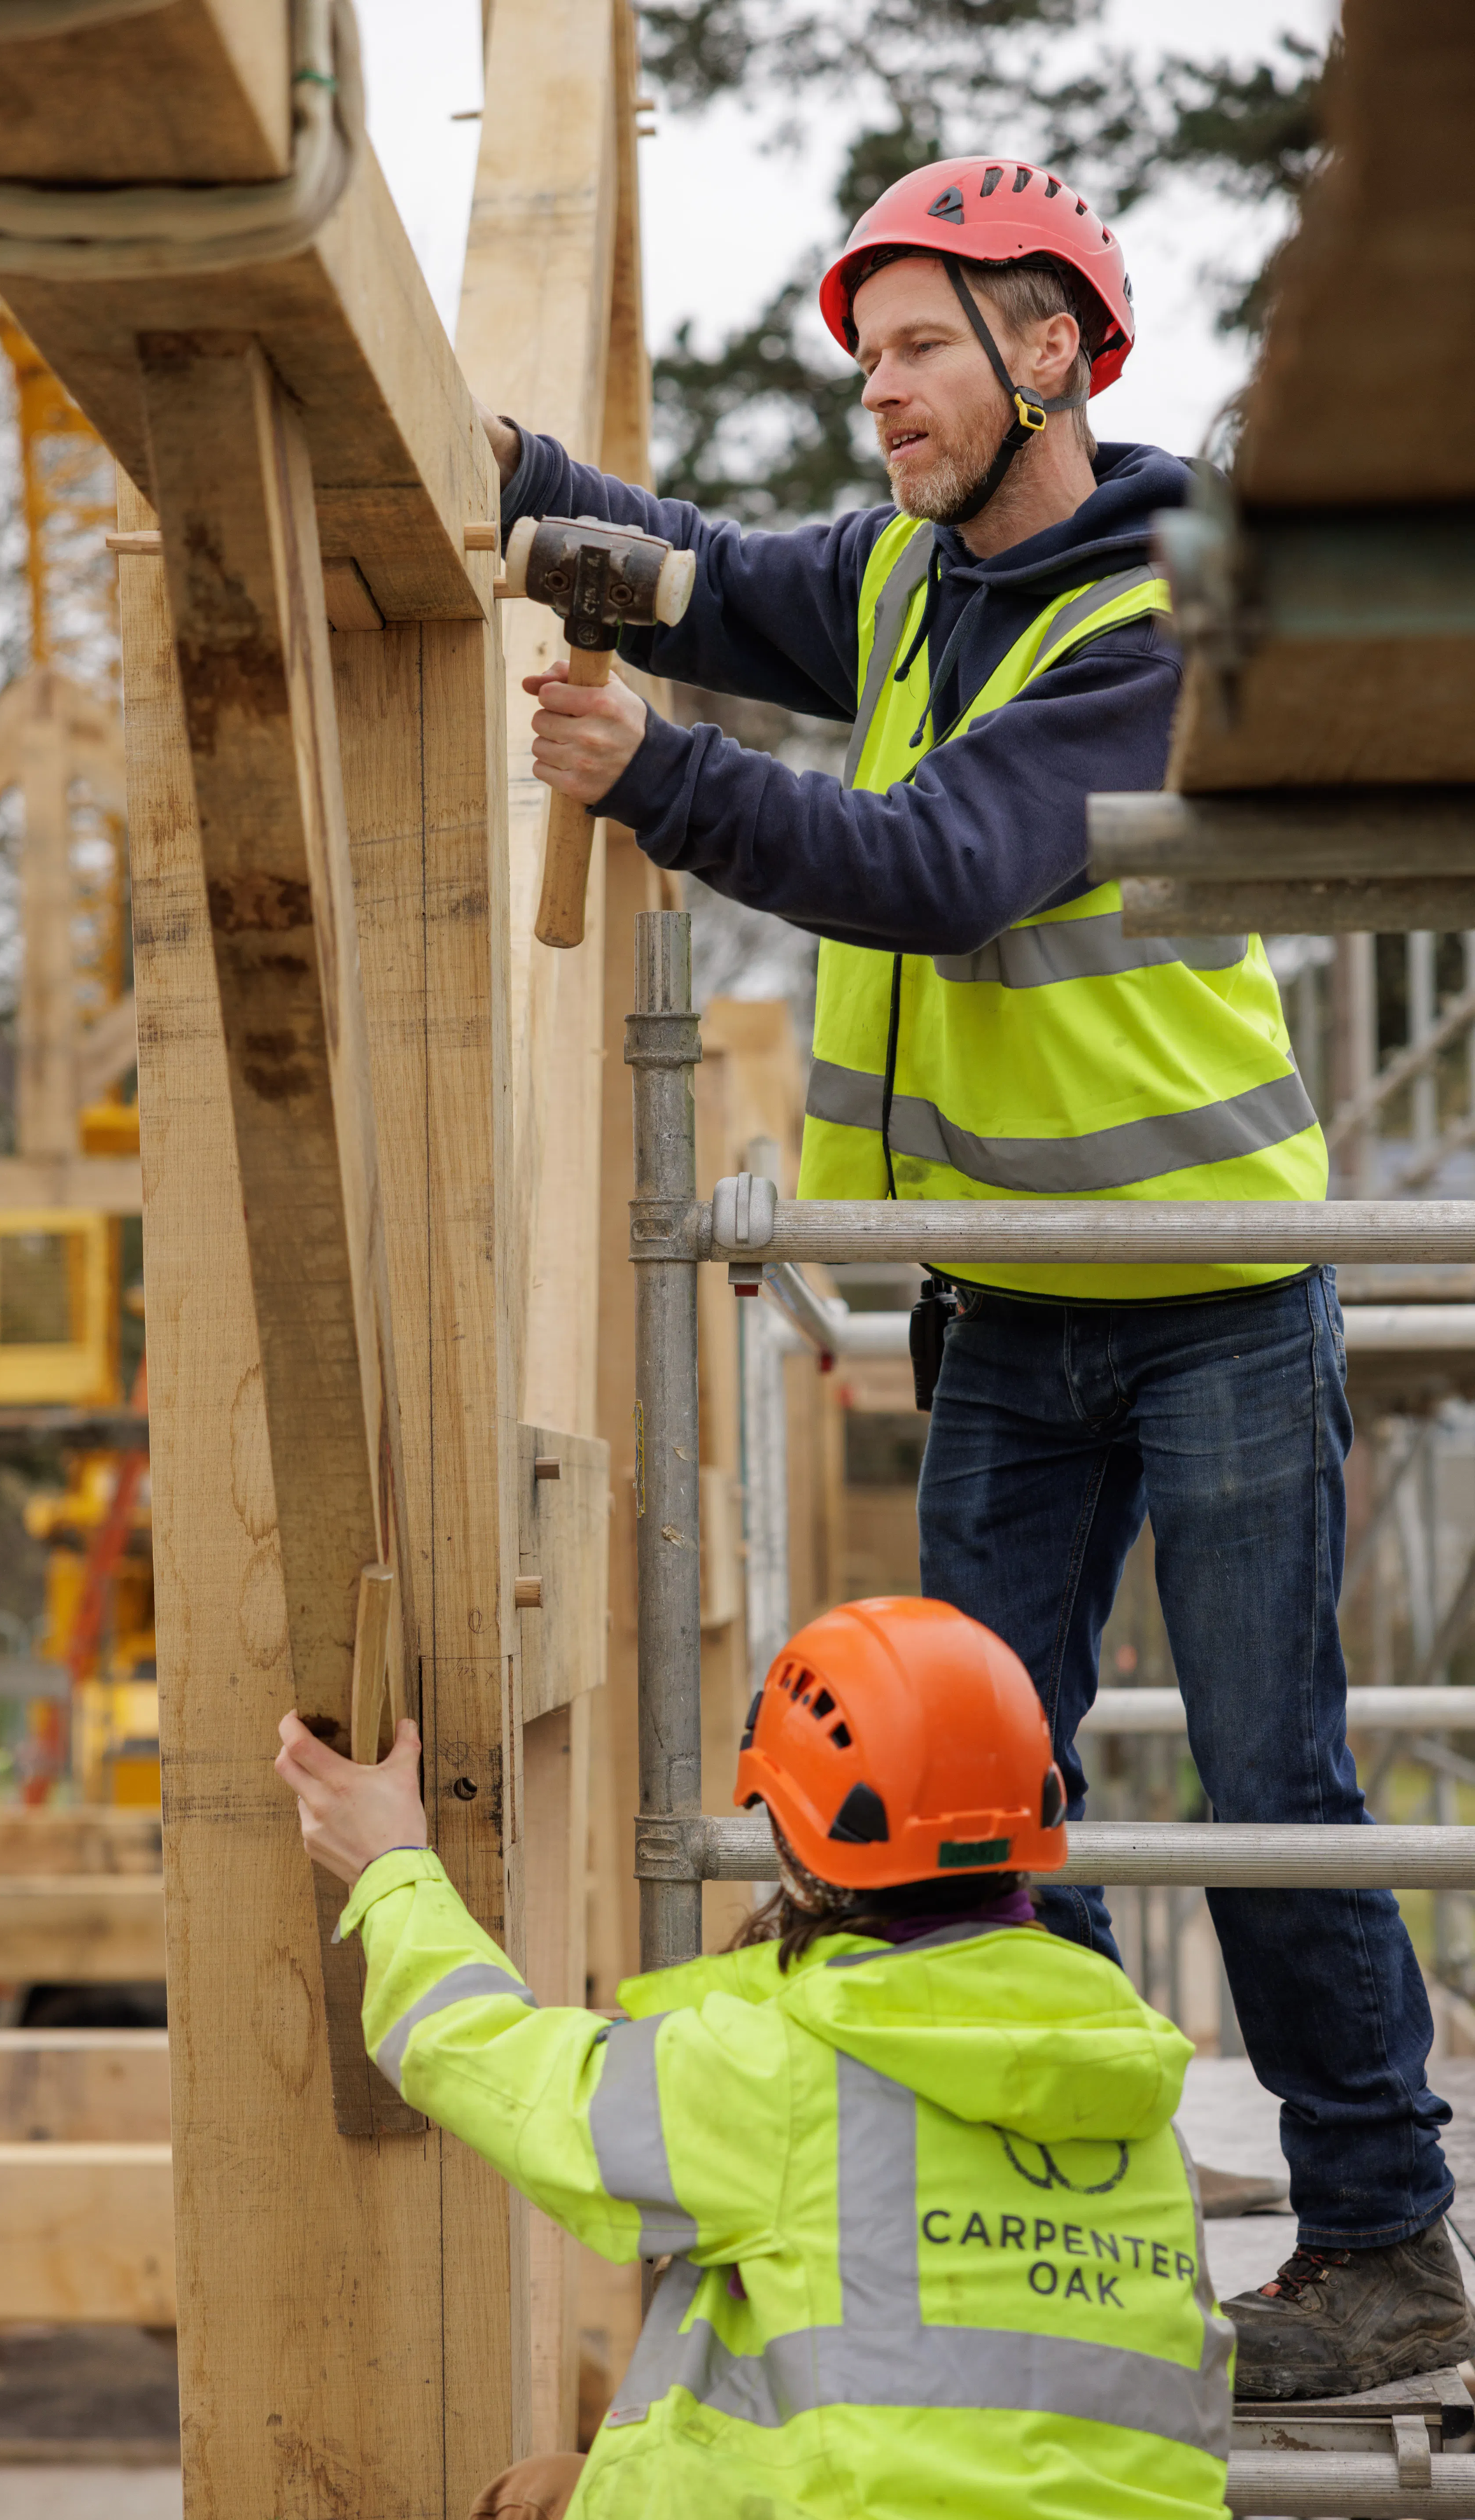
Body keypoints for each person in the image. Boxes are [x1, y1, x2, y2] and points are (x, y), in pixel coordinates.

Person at [471, 151, 1472, 2400]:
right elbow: (720, 583)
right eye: (864, 357)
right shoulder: (906, 579)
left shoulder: (1153, 618)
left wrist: (652, 774)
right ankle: (1098, 2187)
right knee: (967, 1799)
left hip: (1212, 1277)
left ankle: (1386, 2237)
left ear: (1055, 354)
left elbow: (933, 868)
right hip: (1009, 1300)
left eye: (919, 346)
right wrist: (524, 483)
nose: (879, 394)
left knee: (1262, 1777)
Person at [277, 1595, 1233, 2520]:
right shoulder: (1144, 2123)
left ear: (795, 1849)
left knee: (524, 2500)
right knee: (570, 2477)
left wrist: (390, 1864)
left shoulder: (778, 2076)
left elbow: (485, 2057)